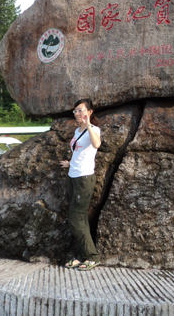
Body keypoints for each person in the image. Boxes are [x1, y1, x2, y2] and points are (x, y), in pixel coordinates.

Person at [60, 99, 102, 271]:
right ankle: (80, 256)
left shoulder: (94, 130)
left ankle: (92, 256)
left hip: (84, 178)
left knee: (75, 219)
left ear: (89, 111)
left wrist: (89, 125)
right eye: (75, 111)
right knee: (81, 218)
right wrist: (69, 164)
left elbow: (96, 144)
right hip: (73, 176)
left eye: (81, 110)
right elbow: (79, 153)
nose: (78, 114)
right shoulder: (77, 131)